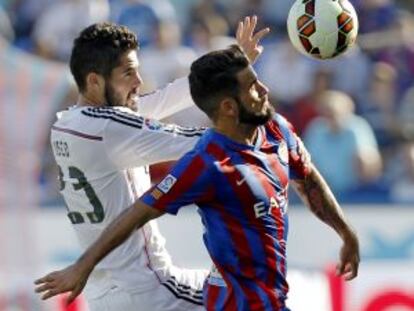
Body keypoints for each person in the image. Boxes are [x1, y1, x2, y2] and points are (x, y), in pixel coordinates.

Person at [35, 44, 360, 310]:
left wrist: (346, 233)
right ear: (230, 107)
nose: (265, 90)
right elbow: (137, 213)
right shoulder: (207, 163)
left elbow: (308, 180)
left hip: (270, 298)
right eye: (253, 87)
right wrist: (83, 265)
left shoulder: (277, 130)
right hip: (233, 302)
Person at [34, 17, 270, 311]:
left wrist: (234, 62)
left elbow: (162, 100)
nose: (139, 81)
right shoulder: (110, 128)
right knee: (255, 299)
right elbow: (210, 142)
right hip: (149, 290)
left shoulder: (69, 122)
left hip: (105, 295)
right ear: (94, 80)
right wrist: (259, 125)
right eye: (128, 73)